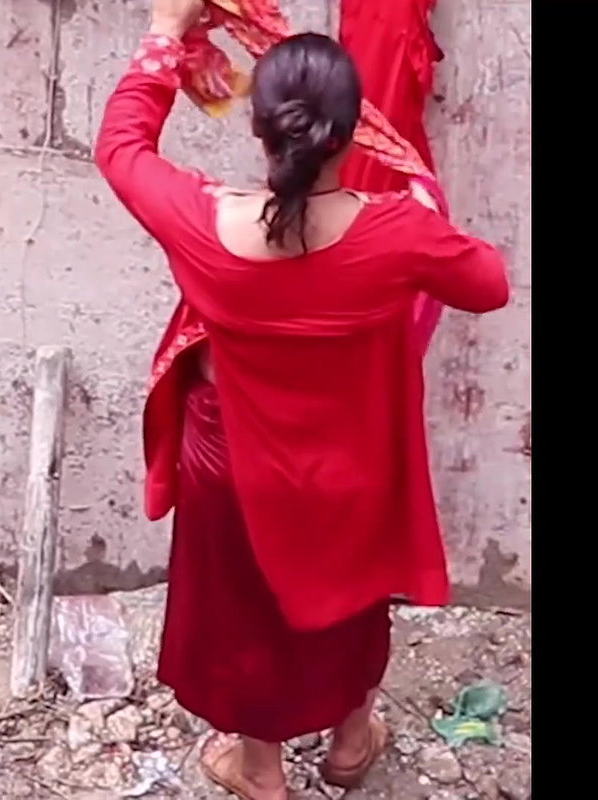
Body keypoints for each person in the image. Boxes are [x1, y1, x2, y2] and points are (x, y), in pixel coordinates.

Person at [94, 3, 509, 798]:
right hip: (348, 461)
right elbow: (486, 284)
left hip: (232, 463)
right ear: (355, 133)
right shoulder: (395, 233)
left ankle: (258, 769)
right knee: (349, 592)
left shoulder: (202, 220)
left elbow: (118, 148)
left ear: (258, 127)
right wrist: (419, 212)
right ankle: (351, 741)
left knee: (248, 606)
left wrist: (162, 33)